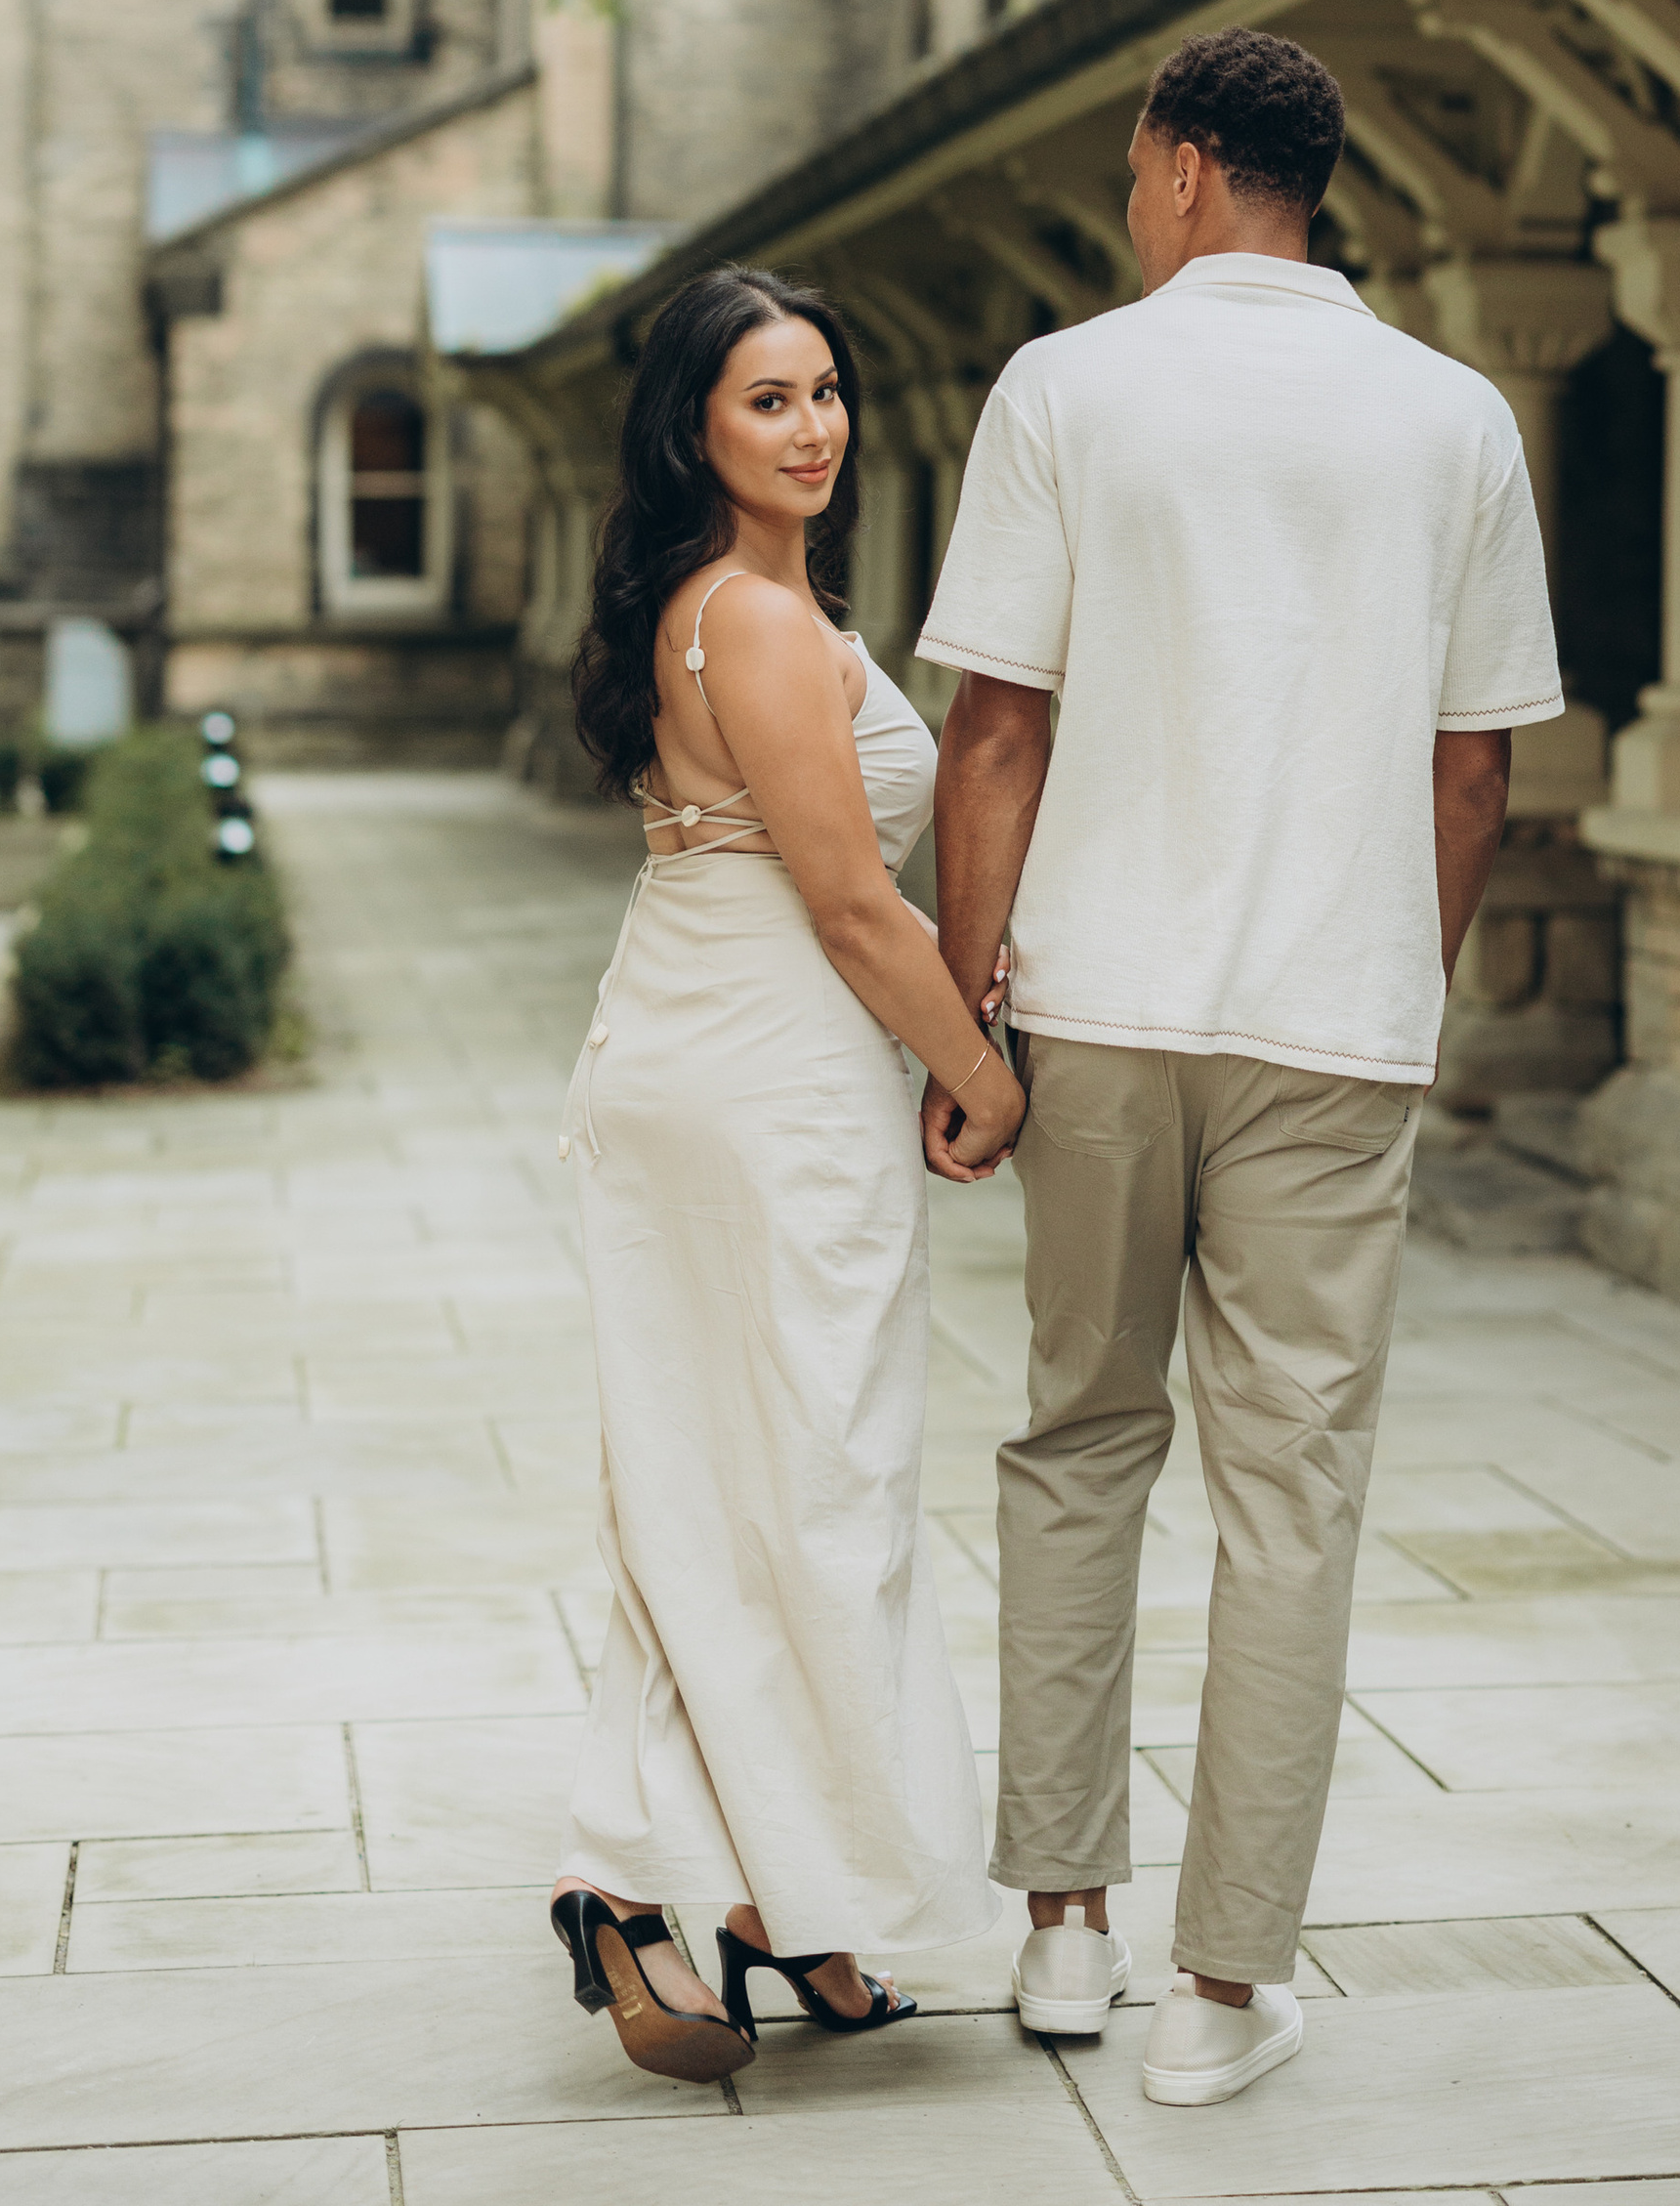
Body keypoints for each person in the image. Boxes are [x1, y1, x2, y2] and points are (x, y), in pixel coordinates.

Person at [918, 27, 1561, 2111]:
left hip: (1093, 1007)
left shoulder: (1065, 388)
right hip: (1327, 1026)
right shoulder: (1453, 420)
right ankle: (1225, 1986)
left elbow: (995, 728)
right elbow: (1471, 768)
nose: (1127, 199)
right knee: (1290, 1501)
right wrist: (1399, 973)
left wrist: (964, 1014)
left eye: (1133, 166)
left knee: (1075, 1440)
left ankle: (1062, 1934)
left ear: (1193, 168)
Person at [549, 265, 1018, 2085]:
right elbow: (845, 901)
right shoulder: (747, 618)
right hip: (761, 1080)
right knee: (803, 1487)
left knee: (735, 1483)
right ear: (694, 427)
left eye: (828, 389)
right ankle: (645, 1873)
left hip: (696, 1050)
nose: (813, 425)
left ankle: (769, 1898)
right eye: (769, 398)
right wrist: (986, 1077)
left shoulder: (728, 604)